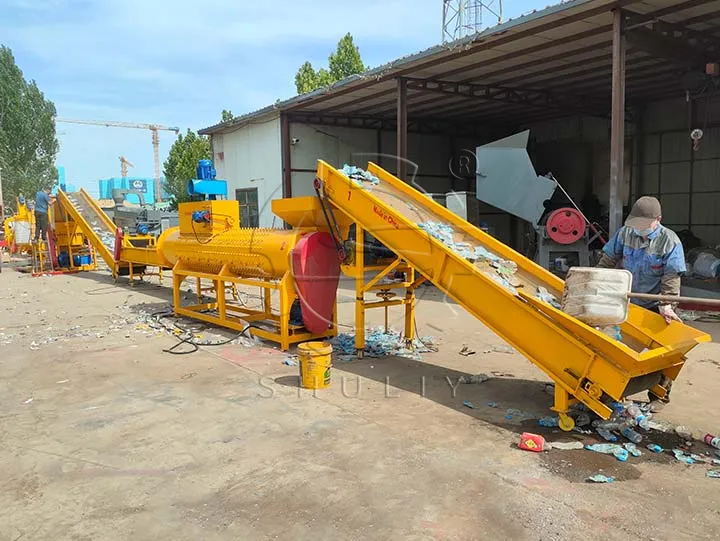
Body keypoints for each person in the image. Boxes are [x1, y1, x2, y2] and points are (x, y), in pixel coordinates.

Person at [596, 196, 685, 411]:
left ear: (658, 220)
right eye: (636, 224)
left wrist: (667, 304)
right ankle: (615, 389)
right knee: (619, 347)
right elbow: (608, 259)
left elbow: (671, 277)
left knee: (664, 352)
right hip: (627, 300)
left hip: (656, 303)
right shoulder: (626, 234)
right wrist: (597, 282)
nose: (639, 229)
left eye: (643, 225)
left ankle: (659, 395)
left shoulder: (669, 241)